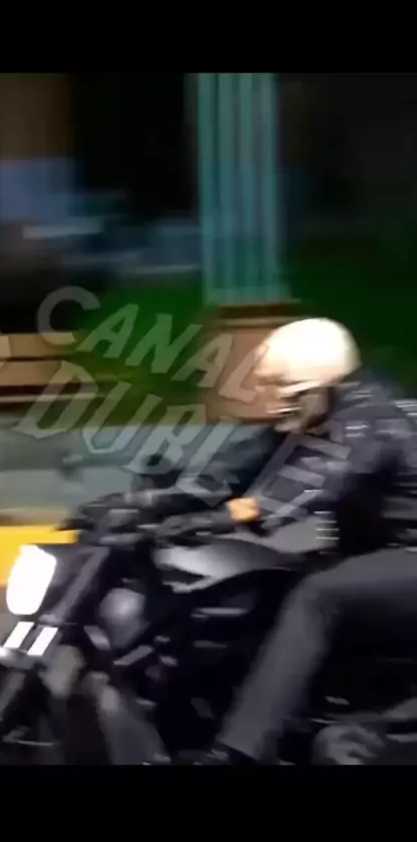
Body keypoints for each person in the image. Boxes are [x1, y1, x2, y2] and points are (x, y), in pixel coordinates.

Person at [145, 317, 417, 765]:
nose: (275, 402)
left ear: (322, 386)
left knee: (320, 594)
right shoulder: (314, 416)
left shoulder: (370, 419)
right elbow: (232, 471)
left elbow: (316, 480)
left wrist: (227, 516)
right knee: (269, 582)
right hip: (379, 558)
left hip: (409, 556)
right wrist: (146, 503)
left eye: (285, 390)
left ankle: (238, 752)